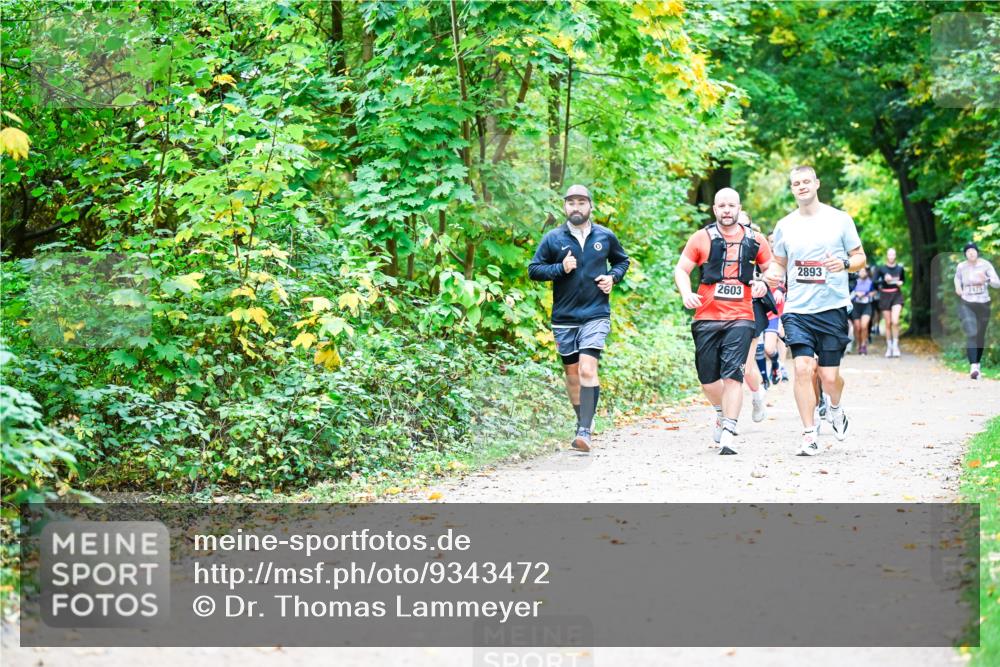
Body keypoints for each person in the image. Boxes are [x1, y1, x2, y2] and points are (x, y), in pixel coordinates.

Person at [764, 165, 866, 456]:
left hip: (832, 306)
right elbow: (779, 262)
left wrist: (844, 264)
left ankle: (834, 407)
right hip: (797, 309)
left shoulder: (840, 220)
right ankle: (809, 434)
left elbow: (860, 257)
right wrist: (772, 273)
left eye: (806, 181)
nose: (802, 186)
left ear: (817, 183)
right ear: (792, 188)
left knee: (829, 377)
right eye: (796, 183)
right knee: (803, 369)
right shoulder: (785, 225)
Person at [529, 184, 630, 452]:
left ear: (590, 206)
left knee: (587, 369)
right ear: (565, 207)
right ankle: (582, 421)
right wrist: (560, 268)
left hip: (596, 313)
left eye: (581, 202)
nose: (576, 207)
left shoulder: (605, 236)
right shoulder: (553, 238)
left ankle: (585, 428)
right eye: (571, 202)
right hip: (564, 317)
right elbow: (534, 270)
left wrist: (613, 278)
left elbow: (622, 262)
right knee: (572, 375)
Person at [675, 188, 771, 455]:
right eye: (722, 206)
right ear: (715, 209)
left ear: (739, 207)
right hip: (706, 315)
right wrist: (686, 293)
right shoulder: (701, 238)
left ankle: (729, 429)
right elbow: (682, 269)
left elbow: (772, 267)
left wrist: (764, 282)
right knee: (708, 381)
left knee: (733, 375)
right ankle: (720, 412)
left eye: (731, 205)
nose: (727, 210)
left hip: (742, 316)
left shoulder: (755, 239)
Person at [954, 242, 1000, 379]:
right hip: (967, 303)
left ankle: (977, 365)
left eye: (973, 250)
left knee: (980, 335)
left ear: (977, 252)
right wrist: (958, 287)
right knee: (972, 332)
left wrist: (987, 279)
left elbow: (997, 283)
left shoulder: (986, 265)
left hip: (983, 304)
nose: (971, 253)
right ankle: (973, 366)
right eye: (968, 252)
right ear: (965, 254)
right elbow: (957, 277)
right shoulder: (961, 266)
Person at [875, 248, 905, 358]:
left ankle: (896, 346)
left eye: (893, 255)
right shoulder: (881, 269)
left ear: (895, 256)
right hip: (885, 295)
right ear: (887, 256)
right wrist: (884, 280)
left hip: (896, 295)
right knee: (887, 323)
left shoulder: (900, 268)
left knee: (895, 321)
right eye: (889, 255)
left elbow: (902, 280)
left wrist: (900, 282)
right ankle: (889, 347)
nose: (891, 257)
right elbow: (874, 282)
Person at [850, 267, 876, 355]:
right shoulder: (854, 281)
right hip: (856, 306)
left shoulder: (870, 282)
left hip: (866, 306)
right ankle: (858, 343)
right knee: (857, 327)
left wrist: (866, 294)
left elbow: (874, 292)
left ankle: (864, 345)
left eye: (864, 271)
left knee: (864, 326)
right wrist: (856, 294)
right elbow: (849, 292)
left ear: (867, 273)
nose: (862, 273)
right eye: (860, 271)